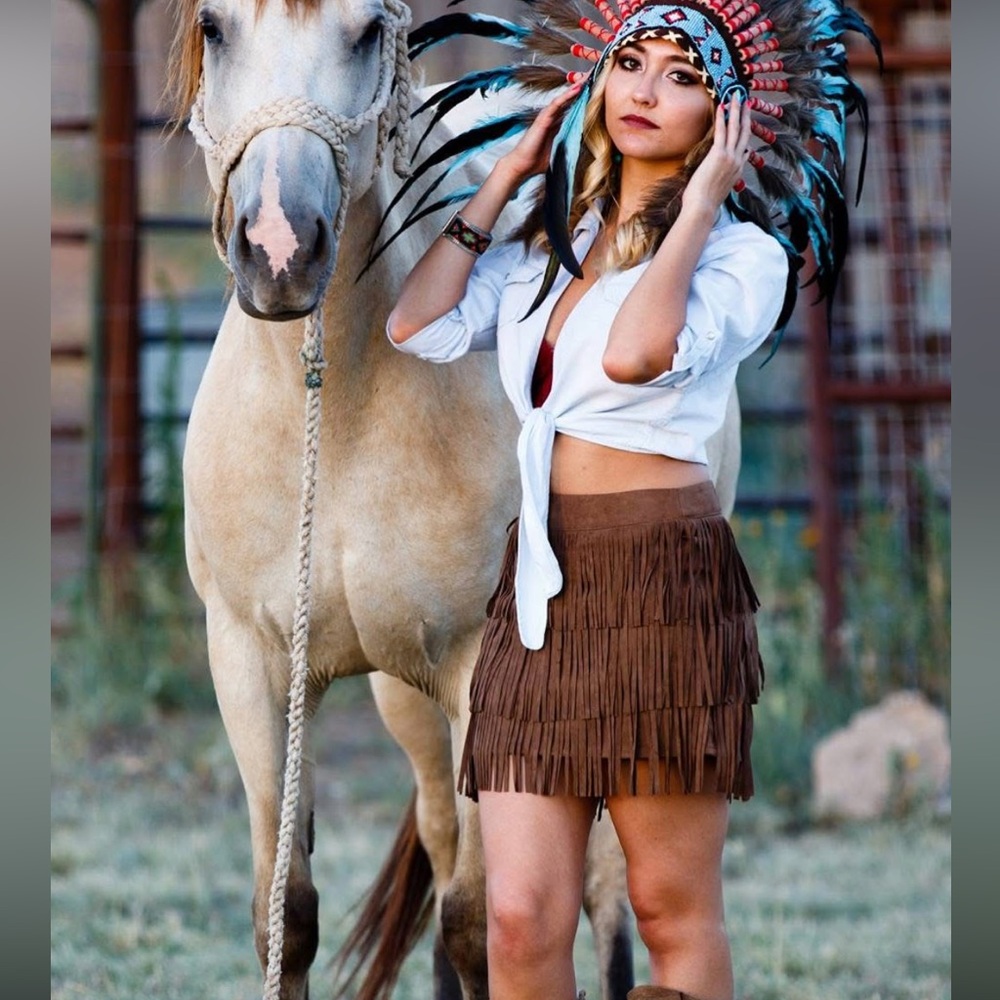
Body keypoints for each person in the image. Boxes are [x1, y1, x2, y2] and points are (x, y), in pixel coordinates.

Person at [384, 3, 879, 998]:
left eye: (683, 76)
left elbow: (636, 353)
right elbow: (414, 323)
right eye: (631, 64)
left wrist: (695, 208)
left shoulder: (744, 257)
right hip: (533, 597)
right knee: (520, 918)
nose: (647, 91)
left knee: (664, 906)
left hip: (661, 583)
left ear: (727, 117)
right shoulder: (544, 253)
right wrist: (507, 182)